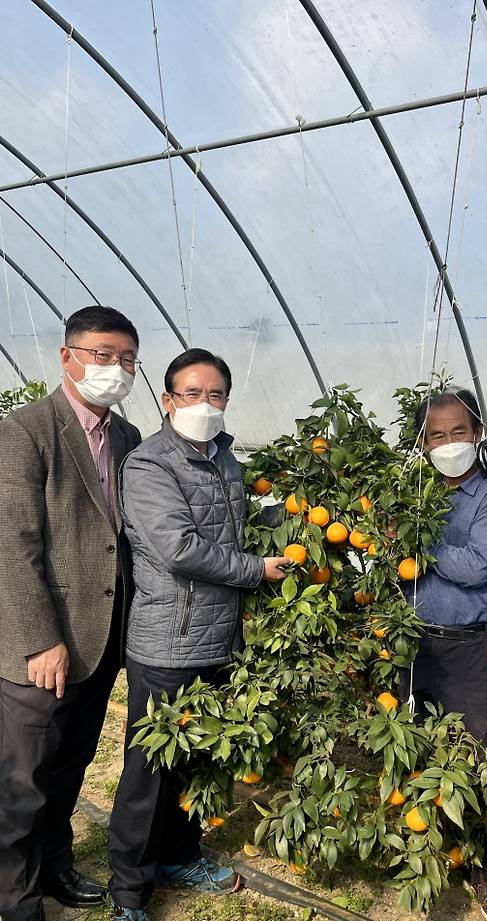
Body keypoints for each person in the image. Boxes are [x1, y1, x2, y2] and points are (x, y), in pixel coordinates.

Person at [108, 348, 291, 921]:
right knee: (150, 770)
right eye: (191, 393)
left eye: (215, 395)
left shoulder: (227, 460)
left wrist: (288, 515)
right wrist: (257, 571)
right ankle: (129, 892)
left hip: (219, 640)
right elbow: (179, 549)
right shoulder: (148, 465)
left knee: (196, 762)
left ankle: (179, 855)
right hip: (168, 641)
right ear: (167, 400)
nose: (204, 405)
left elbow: (231, 527)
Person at [0, 306, 142, 921]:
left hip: (101, 636)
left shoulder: (128, 438)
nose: (115, 369)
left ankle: (54, 865)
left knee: (71, 763)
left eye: (127, 359)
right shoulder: (26, 430)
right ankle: (15, 900)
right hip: (43, 644)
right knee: (22, 780)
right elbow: (12, 543)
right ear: (68, 357)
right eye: (102, 355)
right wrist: (39, 640)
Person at [401, 388, 487, 921]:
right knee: (416, 748)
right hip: (411, 640)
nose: (448, 443)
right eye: (436, 435)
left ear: (477, 434)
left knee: (475, 759)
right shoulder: (412, 493)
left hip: (472, 645)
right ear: (422, 442)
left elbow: (476, 567)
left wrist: (417, 543)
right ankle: (426, 851)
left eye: (458, 433)